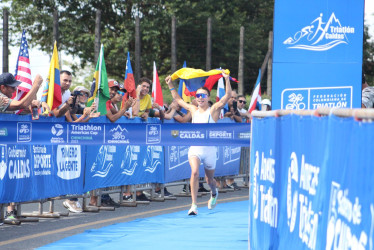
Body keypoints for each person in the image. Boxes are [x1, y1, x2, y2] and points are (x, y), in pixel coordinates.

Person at [165, 69, 232, 215]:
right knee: (194, 172)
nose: (200, 98)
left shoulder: (213, 110)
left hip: (209, 150)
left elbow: (227, 96)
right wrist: (170, 84)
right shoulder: (193, 109)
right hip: (195, 148)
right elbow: (178, 100)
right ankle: (194, 205)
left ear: (208, 97)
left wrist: (226, 79)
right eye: (198, 95)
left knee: (209, 180)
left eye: (203, 95)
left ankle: (213, 194)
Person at [0, 72, 43, 222]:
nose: (14, 91)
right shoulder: (0, 97)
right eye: (11, 88)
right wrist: (36, 85)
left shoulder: (5, 97)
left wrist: (32, 106)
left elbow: (20, 108)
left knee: (10, 176)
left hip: (6, 144)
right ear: (2, 87)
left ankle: (10, 211)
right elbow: (20, 105)